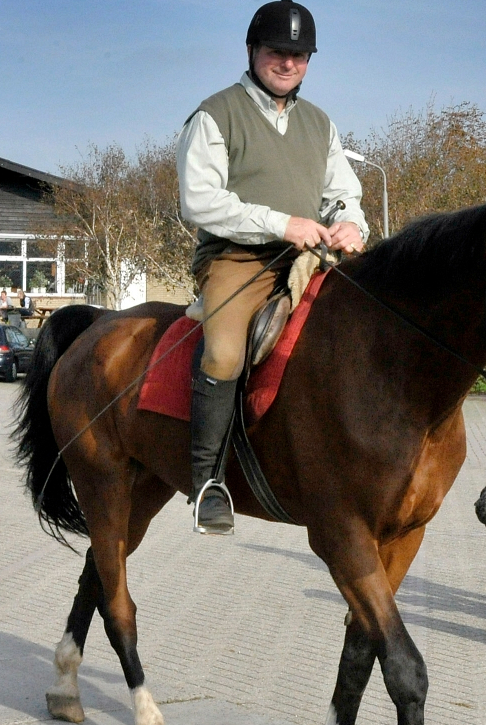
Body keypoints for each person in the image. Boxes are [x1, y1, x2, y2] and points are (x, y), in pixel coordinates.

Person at [177, 0, 367, 534]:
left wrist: (354, 224)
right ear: (252, 51)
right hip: (237, 259)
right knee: (224, 351)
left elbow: (342, 195)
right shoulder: (215, 114)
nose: (288, 63)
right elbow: (200, 201)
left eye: (299, 55)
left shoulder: (321, 124)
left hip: (313, 254)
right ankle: (207, 483)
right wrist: (280, 223)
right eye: (277, 52)